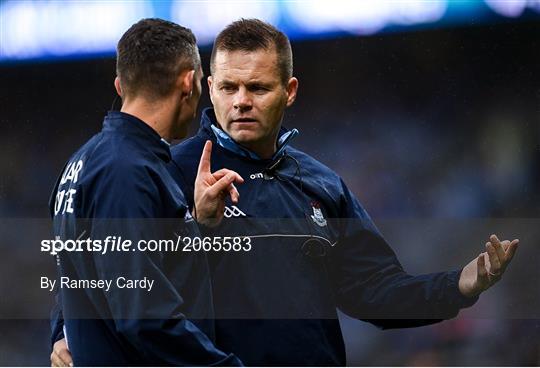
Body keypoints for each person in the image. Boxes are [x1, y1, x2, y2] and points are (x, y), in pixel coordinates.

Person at [52, 18, 520, 366]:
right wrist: (64, 332)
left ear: (289, 91)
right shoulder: (165, 170)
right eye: (230, 87)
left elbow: (372, 290)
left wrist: (458, 286)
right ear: (207, 88)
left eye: (257, 87)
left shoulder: (321, 183)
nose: (241, 101)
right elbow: (98, 260)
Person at [48, 18, 243, 366]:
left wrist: (63, 330)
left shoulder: (84, 161)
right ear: (188, 82)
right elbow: (144, 316)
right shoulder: (127, 172)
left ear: (120, 85)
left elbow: (77, 277)